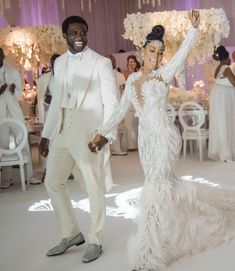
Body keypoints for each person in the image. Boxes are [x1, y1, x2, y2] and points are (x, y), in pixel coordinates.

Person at [91, 11, 235, 271]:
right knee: (161, 187)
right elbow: (121, 110)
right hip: (147, 140)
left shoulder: (164, 75)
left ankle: (147, 256)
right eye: (152, 50)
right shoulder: (133, 80)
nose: (156, 56)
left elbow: (181, 55)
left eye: (160, 52)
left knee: (154, 189)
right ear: (142, 49)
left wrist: (193, 30)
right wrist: (102, 133)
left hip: (165, 138)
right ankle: (177, 229)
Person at [39, 15, 119, 262]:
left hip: (86, 132)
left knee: (93, 187)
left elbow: (112, 102)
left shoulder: (101, 63)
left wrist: (106, 133)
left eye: (83, 32)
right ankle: (71, 233)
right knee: (53, 181)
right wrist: (46, 135)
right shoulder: (60, 63)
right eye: (73, 33)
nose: (79, 37)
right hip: (62, 129)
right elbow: (55, 103)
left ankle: (95, 240)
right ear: (64, 35)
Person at [0, 47, 33, 184]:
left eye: (0, 54)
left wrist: (13, 90)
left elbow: (19, 93)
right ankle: (6, 179)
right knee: (3, 144)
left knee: (23, 141)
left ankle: (29, 176)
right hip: (1, 114)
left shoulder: (13, 71)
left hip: (14, 112)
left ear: (3, 55)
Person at [208, 46, 235, 162]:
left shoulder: (218, 67)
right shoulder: (226, 68)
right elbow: (234, 82)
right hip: (224, 97)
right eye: (229, 57)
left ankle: (222, 151)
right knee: (226, 121)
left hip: (218, 95)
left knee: (221, 122)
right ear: (226, 58)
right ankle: (226, 153)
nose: (230, 60)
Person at [37, 53, 60, 181]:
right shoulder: (44, 79)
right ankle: (47, 170)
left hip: (65, 114)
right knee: (47, 142)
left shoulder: (69, 77)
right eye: (53, 63)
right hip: (50, 114)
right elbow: (41, 99)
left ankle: (68, 170)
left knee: (63, 143)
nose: (55, 65)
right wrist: (46, 100)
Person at [106, 54, 127, 155]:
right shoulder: (100, 75)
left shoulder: (120, 76)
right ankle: (106, 149)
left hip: (116, 103)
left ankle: (116, 148)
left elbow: (123, 91)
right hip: (104, 103)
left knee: (115, 125)